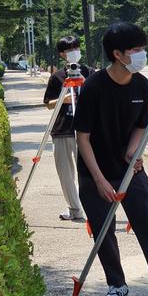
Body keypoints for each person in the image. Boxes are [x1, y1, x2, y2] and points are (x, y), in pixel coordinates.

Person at [73, 22, 148, 296]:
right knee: (103, 231)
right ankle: (116, 285)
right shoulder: (94, 87)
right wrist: (98, 180)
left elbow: (140, 125)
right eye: (135, 50)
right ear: (117, 54)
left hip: (129, 169)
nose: (142, 55)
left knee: (147, 224)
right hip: (95, 171)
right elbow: (82, 138)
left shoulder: (141, 83)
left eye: (142, 49)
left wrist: (133, 151)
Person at [43, 36, 95, 222]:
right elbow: (48, 103)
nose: (74, 52)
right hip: (63, 129)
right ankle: (75, 209)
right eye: (69, 49)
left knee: (90, 170)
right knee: (66, 173)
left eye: (76, 47)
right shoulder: (57, 77)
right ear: (62, 54)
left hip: (87, 131)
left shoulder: (89, 73)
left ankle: (95, 206)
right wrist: (63, 100)